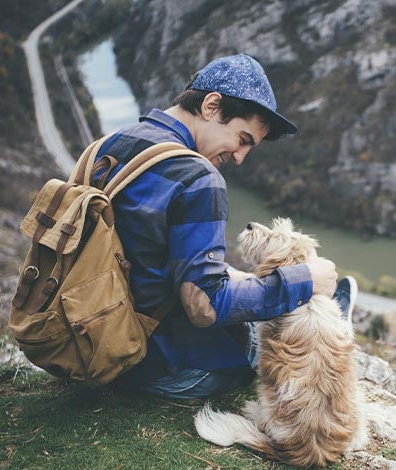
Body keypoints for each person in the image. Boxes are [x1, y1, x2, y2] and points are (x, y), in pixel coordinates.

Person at [91, 53, 357, 399]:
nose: (240, 157)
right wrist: (303, 281)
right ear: (212, 106)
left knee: (243, 286)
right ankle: (333, 321)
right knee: (281, 337)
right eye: (243, 139)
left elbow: (146, 256)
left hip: (97, 346)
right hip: (165, 369)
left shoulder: (112, 145)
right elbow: (205, 307)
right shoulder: (198, 177)